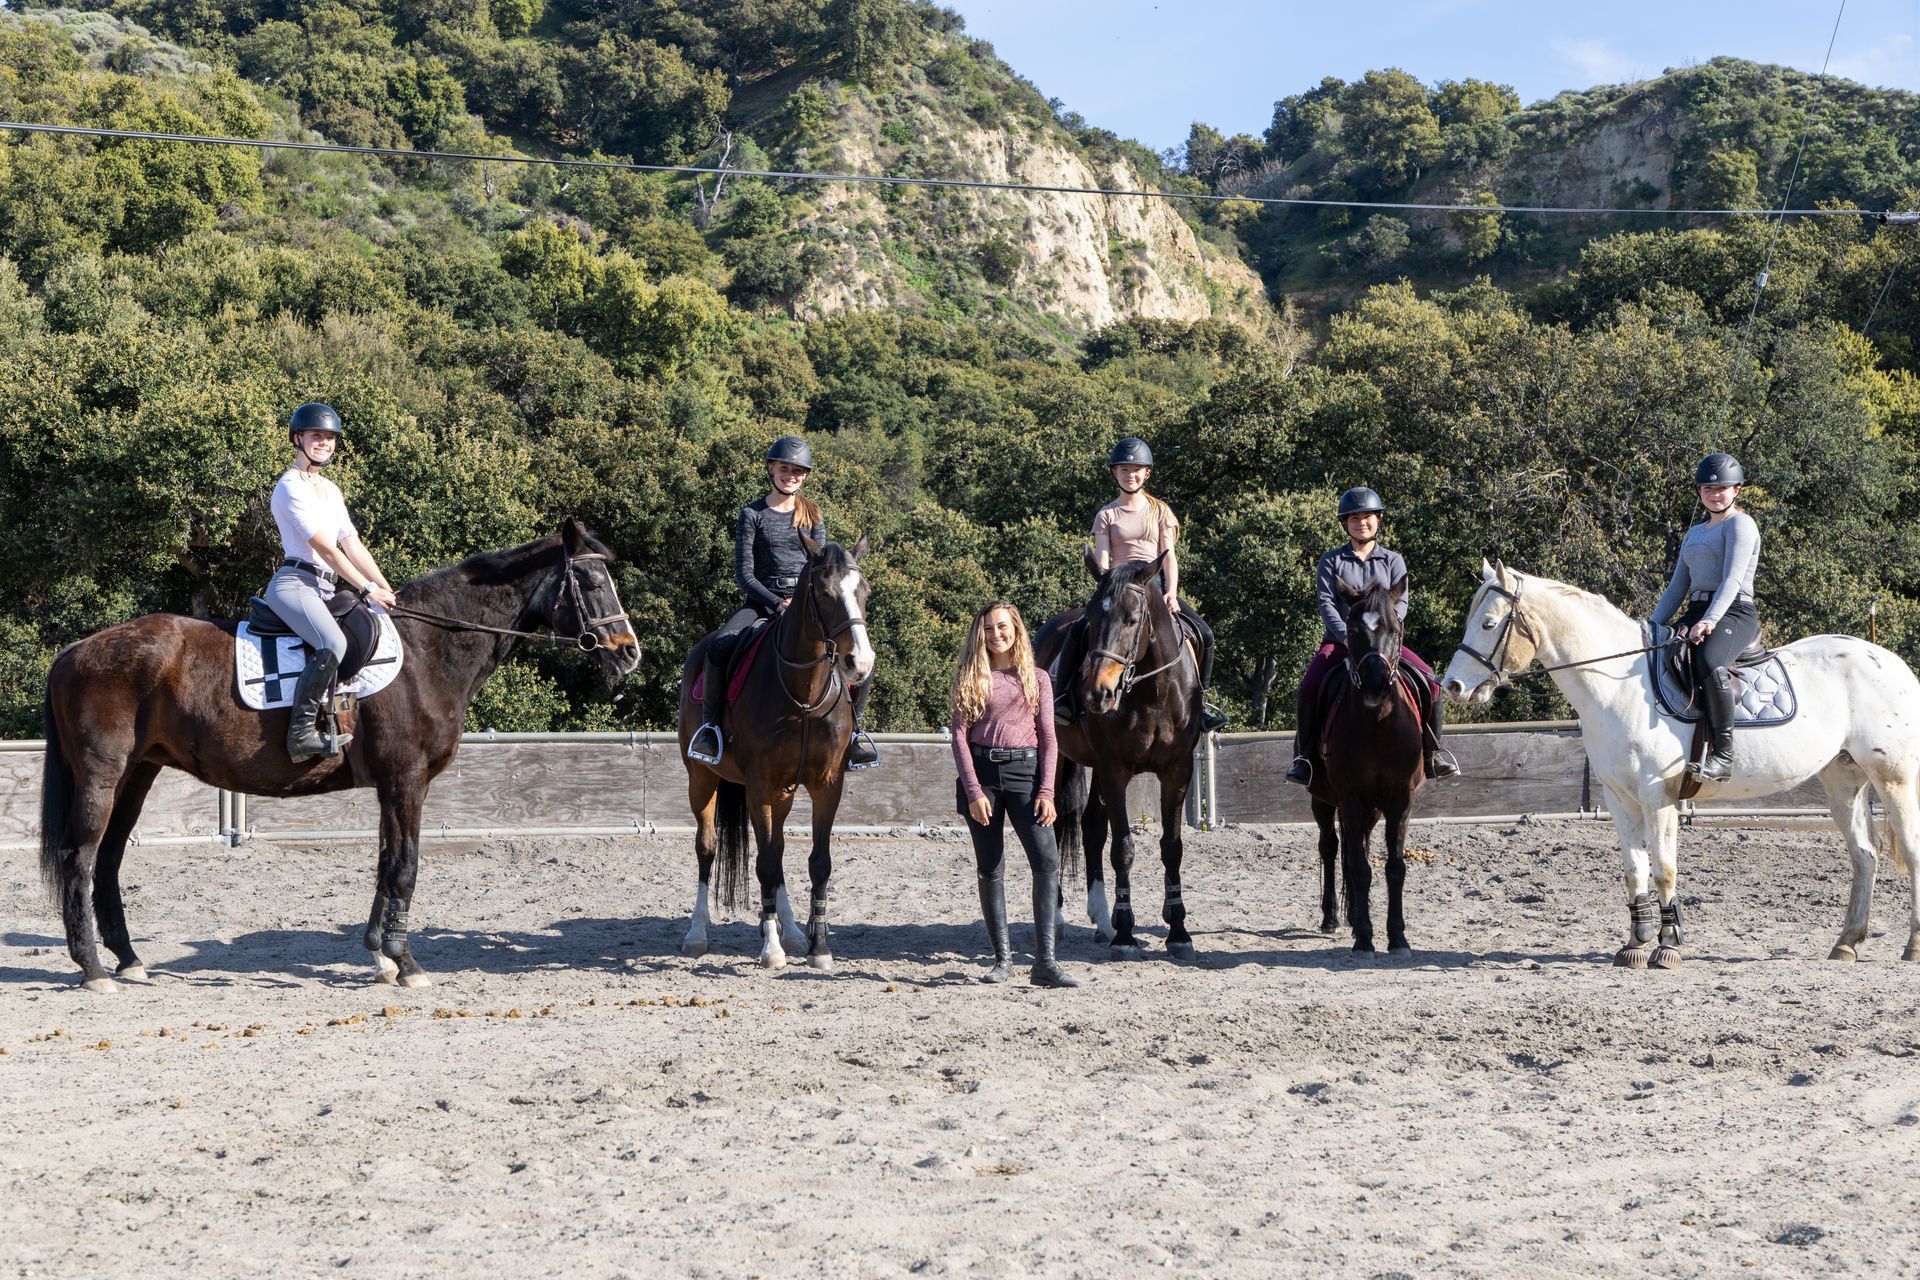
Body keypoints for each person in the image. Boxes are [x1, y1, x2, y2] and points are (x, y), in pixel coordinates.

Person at [687, 435, 877, 769]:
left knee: (860, 658)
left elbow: (822, 567)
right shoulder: (752, 514)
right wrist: (776, 603)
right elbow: (745, 574)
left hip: (810, 605)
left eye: (798, 471)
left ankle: (856, 735)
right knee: (719, 648)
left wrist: (804, 601)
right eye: (785, 468)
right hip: (762, 603)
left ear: (805, 476)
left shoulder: (813, 514)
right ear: (771, 468)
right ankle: (710, 729)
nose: (791, 475)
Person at [1286, 487, 1456, 785]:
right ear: (1345, 523)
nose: (1361, 522)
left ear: (1377, 521)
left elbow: (1400, 602)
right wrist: (1346, 638)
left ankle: (1433, 752)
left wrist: (1386, 634)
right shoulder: (1331, 560)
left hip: (1386, 645)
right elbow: (1327, 603)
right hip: (1342, 644)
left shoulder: (1393, 560)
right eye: (1354, 518)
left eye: (1367, 517)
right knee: (1310, 687)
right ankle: (1304, 758)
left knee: (1431, 681)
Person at [1053, 438, 1226, 730]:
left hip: (1154, 585)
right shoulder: (1106, 515)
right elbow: (1104, 560)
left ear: (1146, 474)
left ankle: (1201, 703)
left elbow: (1168, 556)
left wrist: (1171, 591)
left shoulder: (1160, 511)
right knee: (1079, 630)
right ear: (1114, 473)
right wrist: (1108, 590)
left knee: (1205, 634)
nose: (1130, 475)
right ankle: (1066, 699)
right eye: (1124, 470)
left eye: (1136, 470)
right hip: (1119, 587)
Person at [951, 600, 1077, 988]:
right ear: (980, 633)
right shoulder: (969, 676)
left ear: (1016, 629)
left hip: (1026, 773)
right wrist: (973, 790)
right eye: (988, 628)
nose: (996, 634)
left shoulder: (1036, 677)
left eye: (1002, 626)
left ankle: (1045, 961)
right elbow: (957, 736)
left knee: (1046, 861)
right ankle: (1002, 959)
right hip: (982, 775)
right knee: (991, 868)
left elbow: (1050, 739)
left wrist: (1047, 790)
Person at [264, 402, 398, 762]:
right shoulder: (290, 486)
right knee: (333, 642)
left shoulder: (331, 490)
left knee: (361, 641)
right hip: (294, 583)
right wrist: (367, 590)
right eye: (316, 436)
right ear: (298, 438)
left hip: (325, 589)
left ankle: (341, 717)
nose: (323, 442)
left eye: (329, 437)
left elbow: (353, 545)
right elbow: (327, 549)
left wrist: (387, 590)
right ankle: (302, 734)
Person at [1650, 452, 1762, 782]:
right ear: (1699, 492)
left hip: (1735, 610)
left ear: (1737, 490)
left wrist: (1711, 621)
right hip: (1698, 609)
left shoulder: (1741, 525)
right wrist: (1652, 625)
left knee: (1709, 660)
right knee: (1659, 654)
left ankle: (1724, 755)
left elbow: (1731, 580)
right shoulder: (1695, 534)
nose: (1714, 494)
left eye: (1722, 489)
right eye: (1707, 489)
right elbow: (1676, 588)